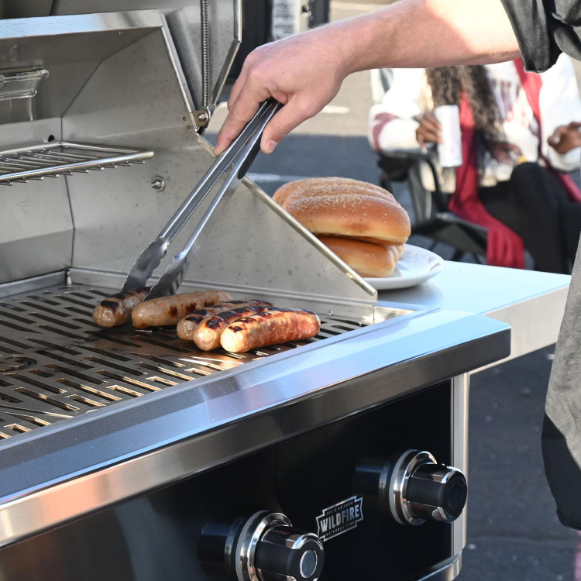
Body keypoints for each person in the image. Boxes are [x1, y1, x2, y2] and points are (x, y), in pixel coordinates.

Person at [214, 0, 581, 531]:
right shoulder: (445, 56)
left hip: (534, 182)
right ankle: (554, 276)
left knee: (540, 186)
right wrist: (418, 129)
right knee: (541, 193)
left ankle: (553, 275)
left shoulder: (542, 71)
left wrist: (566, 142)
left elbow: (562, 138)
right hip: (472, 188)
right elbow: (388, 126)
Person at [369, 59, 581, 273]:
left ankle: (555, 283)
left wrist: (563, 149)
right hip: (474, 194)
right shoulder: (433, 53)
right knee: (570, 217)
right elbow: (380, 128)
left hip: (540, 186)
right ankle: (559, 281)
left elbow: (564, 144)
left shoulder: (544, 56)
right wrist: (415, 132)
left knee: (532, 178)